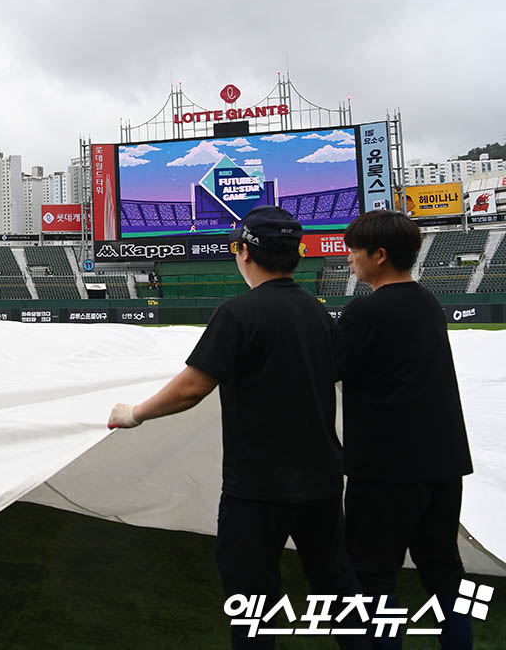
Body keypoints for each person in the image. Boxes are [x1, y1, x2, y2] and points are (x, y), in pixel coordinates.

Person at [108, 207, 363, 648]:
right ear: (297, 255)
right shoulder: (319, 314)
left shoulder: (239, 313)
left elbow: (191, 388)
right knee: (337, 586)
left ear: (243, 252)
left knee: (252, 602)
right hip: (321, 477)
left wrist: (135, 413)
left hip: (259, 487)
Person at [337, 210, 474, 649]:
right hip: (443, 463)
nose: (350, 260)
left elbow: (324, 369)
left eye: (354, 251)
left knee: (373, 575)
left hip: (386, 470)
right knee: (444, 569)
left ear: (379, 255)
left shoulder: (366, 310)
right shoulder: (428, 302)